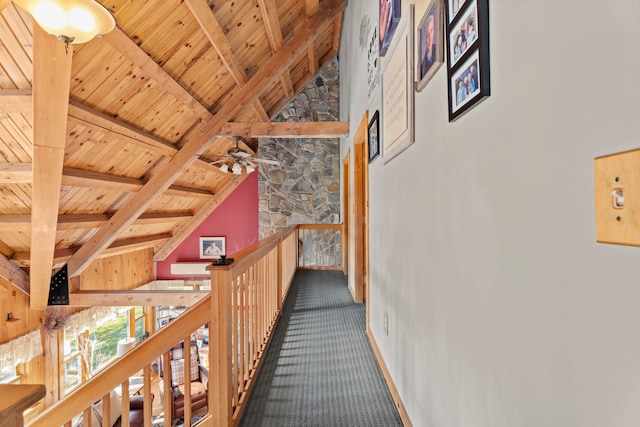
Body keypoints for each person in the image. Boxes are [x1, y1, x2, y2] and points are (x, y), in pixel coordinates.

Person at [420, 13, 436, 78]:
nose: (429, 36)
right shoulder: (422, 65)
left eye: (431, 30)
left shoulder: (437, 50)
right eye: (427, 32)